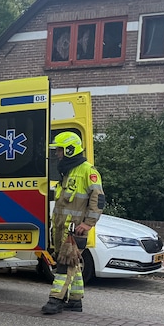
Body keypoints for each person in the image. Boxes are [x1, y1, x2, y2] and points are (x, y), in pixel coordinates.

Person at [42, 132, 103, 314]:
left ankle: (55, 300)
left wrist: (88, 223)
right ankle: (75, 301)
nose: (57, 154)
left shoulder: (87, 171)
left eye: (60, 150)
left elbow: (98, 199)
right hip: (62, 227)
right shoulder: (66, 171)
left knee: (64, 264)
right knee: (73, 263)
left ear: (69, 150)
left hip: (76, 229)